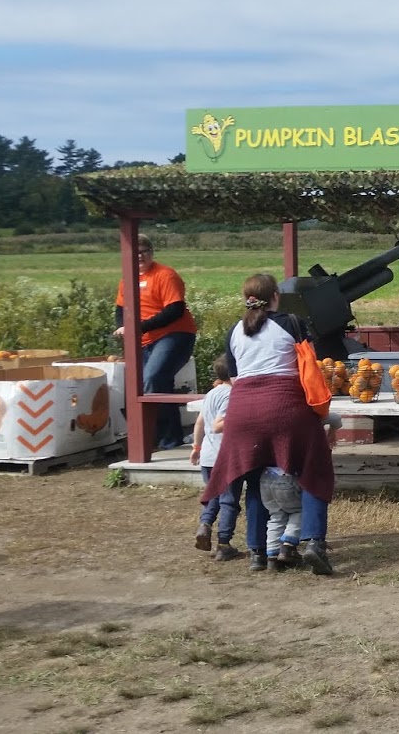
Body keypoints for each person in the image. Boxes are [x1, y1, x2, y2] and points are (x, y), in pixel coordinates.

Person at [202, 274, 336, 575]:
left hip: (242, 412)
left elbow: (234, 379)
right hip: (285, 406)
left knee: (253, 476)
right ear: (276, 295)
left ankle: (259, 553)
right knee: (313, 468)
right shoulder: (292, 322)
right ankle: (314, 543)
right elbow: (309, 364)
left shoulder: (234, 331)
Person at [113, 234, 198, 450]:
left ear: (151, 253)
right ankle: (165, 438)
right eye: (136, 252)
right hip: (143, 339)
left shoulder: (165, 275)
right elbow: (121, 308)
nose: (140, 256)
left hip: (175, 334)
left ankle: (165, 441)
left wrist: (139, 327)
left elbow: (175, 309)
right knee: (148, 385)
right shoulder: (127, 279)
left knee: (153, 378)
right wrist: (123, 327)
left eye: (144, 251)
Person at [190, 354, 241, 562]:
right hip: (225, 457)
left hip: (208, 457)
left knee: (214, 495)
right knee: (229, 501)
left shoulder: (211, 393)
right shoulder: (231, 395)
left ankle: (205, 524)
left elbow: (200, 423)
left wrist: (196, 446)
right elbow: (218, 425)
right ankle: (224, 543)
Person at [260, 466, 304, 572]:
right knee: (299, 511)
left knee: (276, 516)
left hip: (266, 477)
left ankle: (272, 556)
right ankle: (288, 546)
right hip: (287, 477)